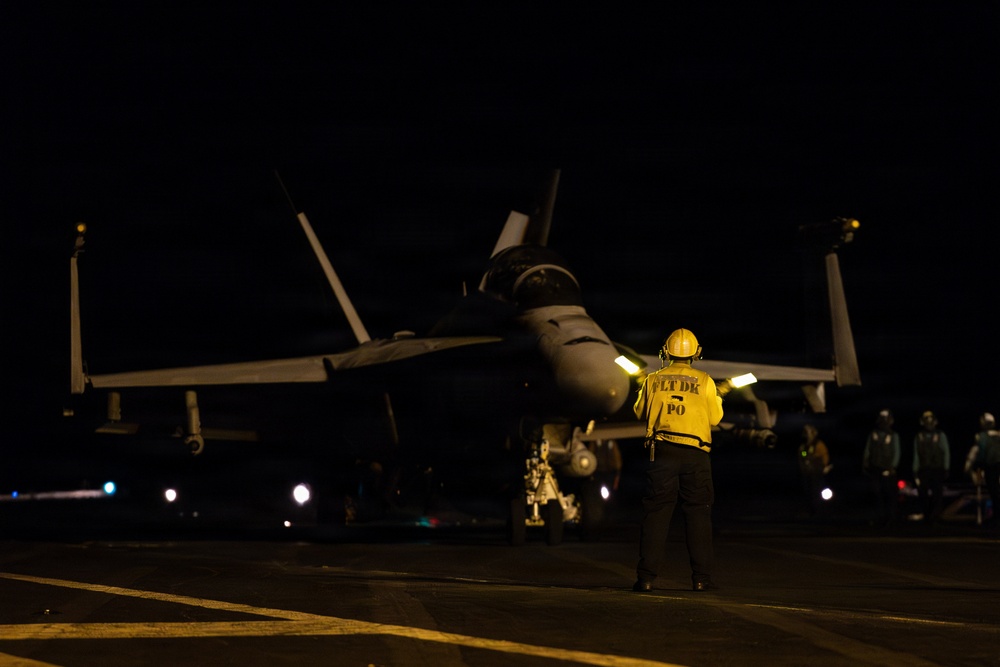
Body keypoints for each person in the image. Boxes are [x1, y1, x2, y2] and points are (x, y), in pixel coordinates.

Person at [632, 328, 723, 593]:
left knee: (656, 514)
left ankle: (646, 578)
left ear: (665, 352)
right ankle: (701, 579)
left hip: (662, 453)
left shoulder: (653, 379)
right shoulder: (705, 380)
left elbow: (640, 412)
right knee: (698, 514)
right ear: (697, 353)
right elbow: (715, 418)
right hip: (695, 454)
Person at [862, 409, 901, 527]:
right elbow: (867, 450)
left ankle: (890, 518)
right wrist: (865, 463)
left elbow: (897, 452)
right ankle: (879, 517)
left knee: (889, 494)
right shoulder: (873, 434)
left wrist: (892, 467)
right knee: (876, 494)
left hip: (888, 469)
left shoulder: (893, 435)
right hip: (875, 469)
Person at [912, 410, 950, 524]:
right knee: (922, 493)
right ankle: (927, 515)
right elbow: (916, 454)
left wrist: (946, 467)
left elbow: (946, 452)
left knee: (937, 494)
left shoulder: (940, 435)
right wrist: (915, 469)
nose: (929, 423)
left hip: (937, 469)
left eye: (930, 420)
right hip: (924, 469)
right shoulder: (919, 436)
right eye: (926, 420)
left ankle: (935, 515)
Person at [964, 412, 999, 529]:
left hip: (991, 467)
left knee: (994, 492)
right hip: (989, 467)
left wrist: (969, 466)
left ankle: (996, 518)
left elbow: (977, 453)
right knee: (995, 492)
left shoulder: (982, 437)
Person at [797, 424, 831, 518]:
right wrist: (805, 457)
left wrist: (821, 466)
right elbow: (803, 456)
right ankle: (810, 511)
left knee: (817, 492)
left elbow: (824, 457)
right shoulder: (804, 446)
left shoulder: (819, 444)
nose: (806, 434)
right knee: (808, 493)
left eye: (808, 432)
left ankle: (819, 512)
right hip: (807, 473)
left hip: (817, 473)